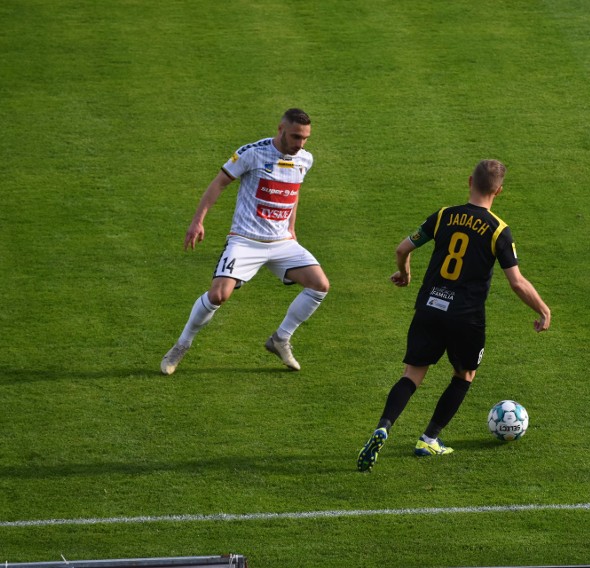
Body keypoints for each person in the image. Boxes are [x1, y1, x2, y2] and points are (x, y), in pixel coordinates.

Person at [357, 159, 550, 472]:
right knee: (464, 375)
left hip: (430, 306)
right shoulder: (498, 230)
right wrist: (542, 309)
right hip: (465, 317)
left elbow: (402, 248)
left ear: (469, 180)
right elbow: (516, 282)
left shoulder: (444, 215)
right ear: (499, 191)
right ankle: (429, 439)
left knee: (412, 375)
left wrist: (404, 273)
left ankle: (383, 427)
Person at [160, 108, 329, 375]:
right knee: (218, 295)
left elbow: (293, 192)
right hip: (245, 240)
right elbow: (219, 184)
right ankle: (182, 345)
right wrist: (197, 221)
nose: (300, 144)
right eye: (296, 137)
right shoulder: (252, 153)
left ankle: (280, 339)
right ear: (280, 129)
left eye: (305, 138)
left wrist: (292, 229)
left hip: (282, 242)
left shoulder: (305, 159)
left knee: (320, 285)